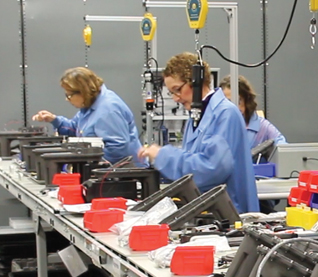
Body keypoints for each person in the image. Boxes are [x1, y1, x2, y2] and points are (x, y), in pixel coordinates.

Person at [138, 53, 259, 214]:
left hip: (229, 212)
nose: (175, 98)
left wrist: (163, 155)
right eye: (171, 93)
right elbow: (193, 159)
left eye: (177, 90)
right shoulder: (197, 116)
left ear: (196, 83)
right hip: (210, 211)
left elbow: (212, 169)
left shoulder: (225, 114)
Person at [31, 67, 146, 167]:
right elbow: (76, 128)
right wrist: (55, 120)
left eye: (69, 95)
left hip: (125, 173)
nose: (67, 99)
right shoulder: (90, 104)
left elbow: (118, 149)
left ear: (82, 92)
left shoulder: (108, 110)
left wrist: (83, 158)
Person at [219, 75, 288, 151]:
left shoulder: (262, 127)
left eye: (238, 101)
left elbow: (283, 148)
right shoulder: (217, 126)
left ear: (247, 101)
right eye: (228, 102)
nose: (233, 108)